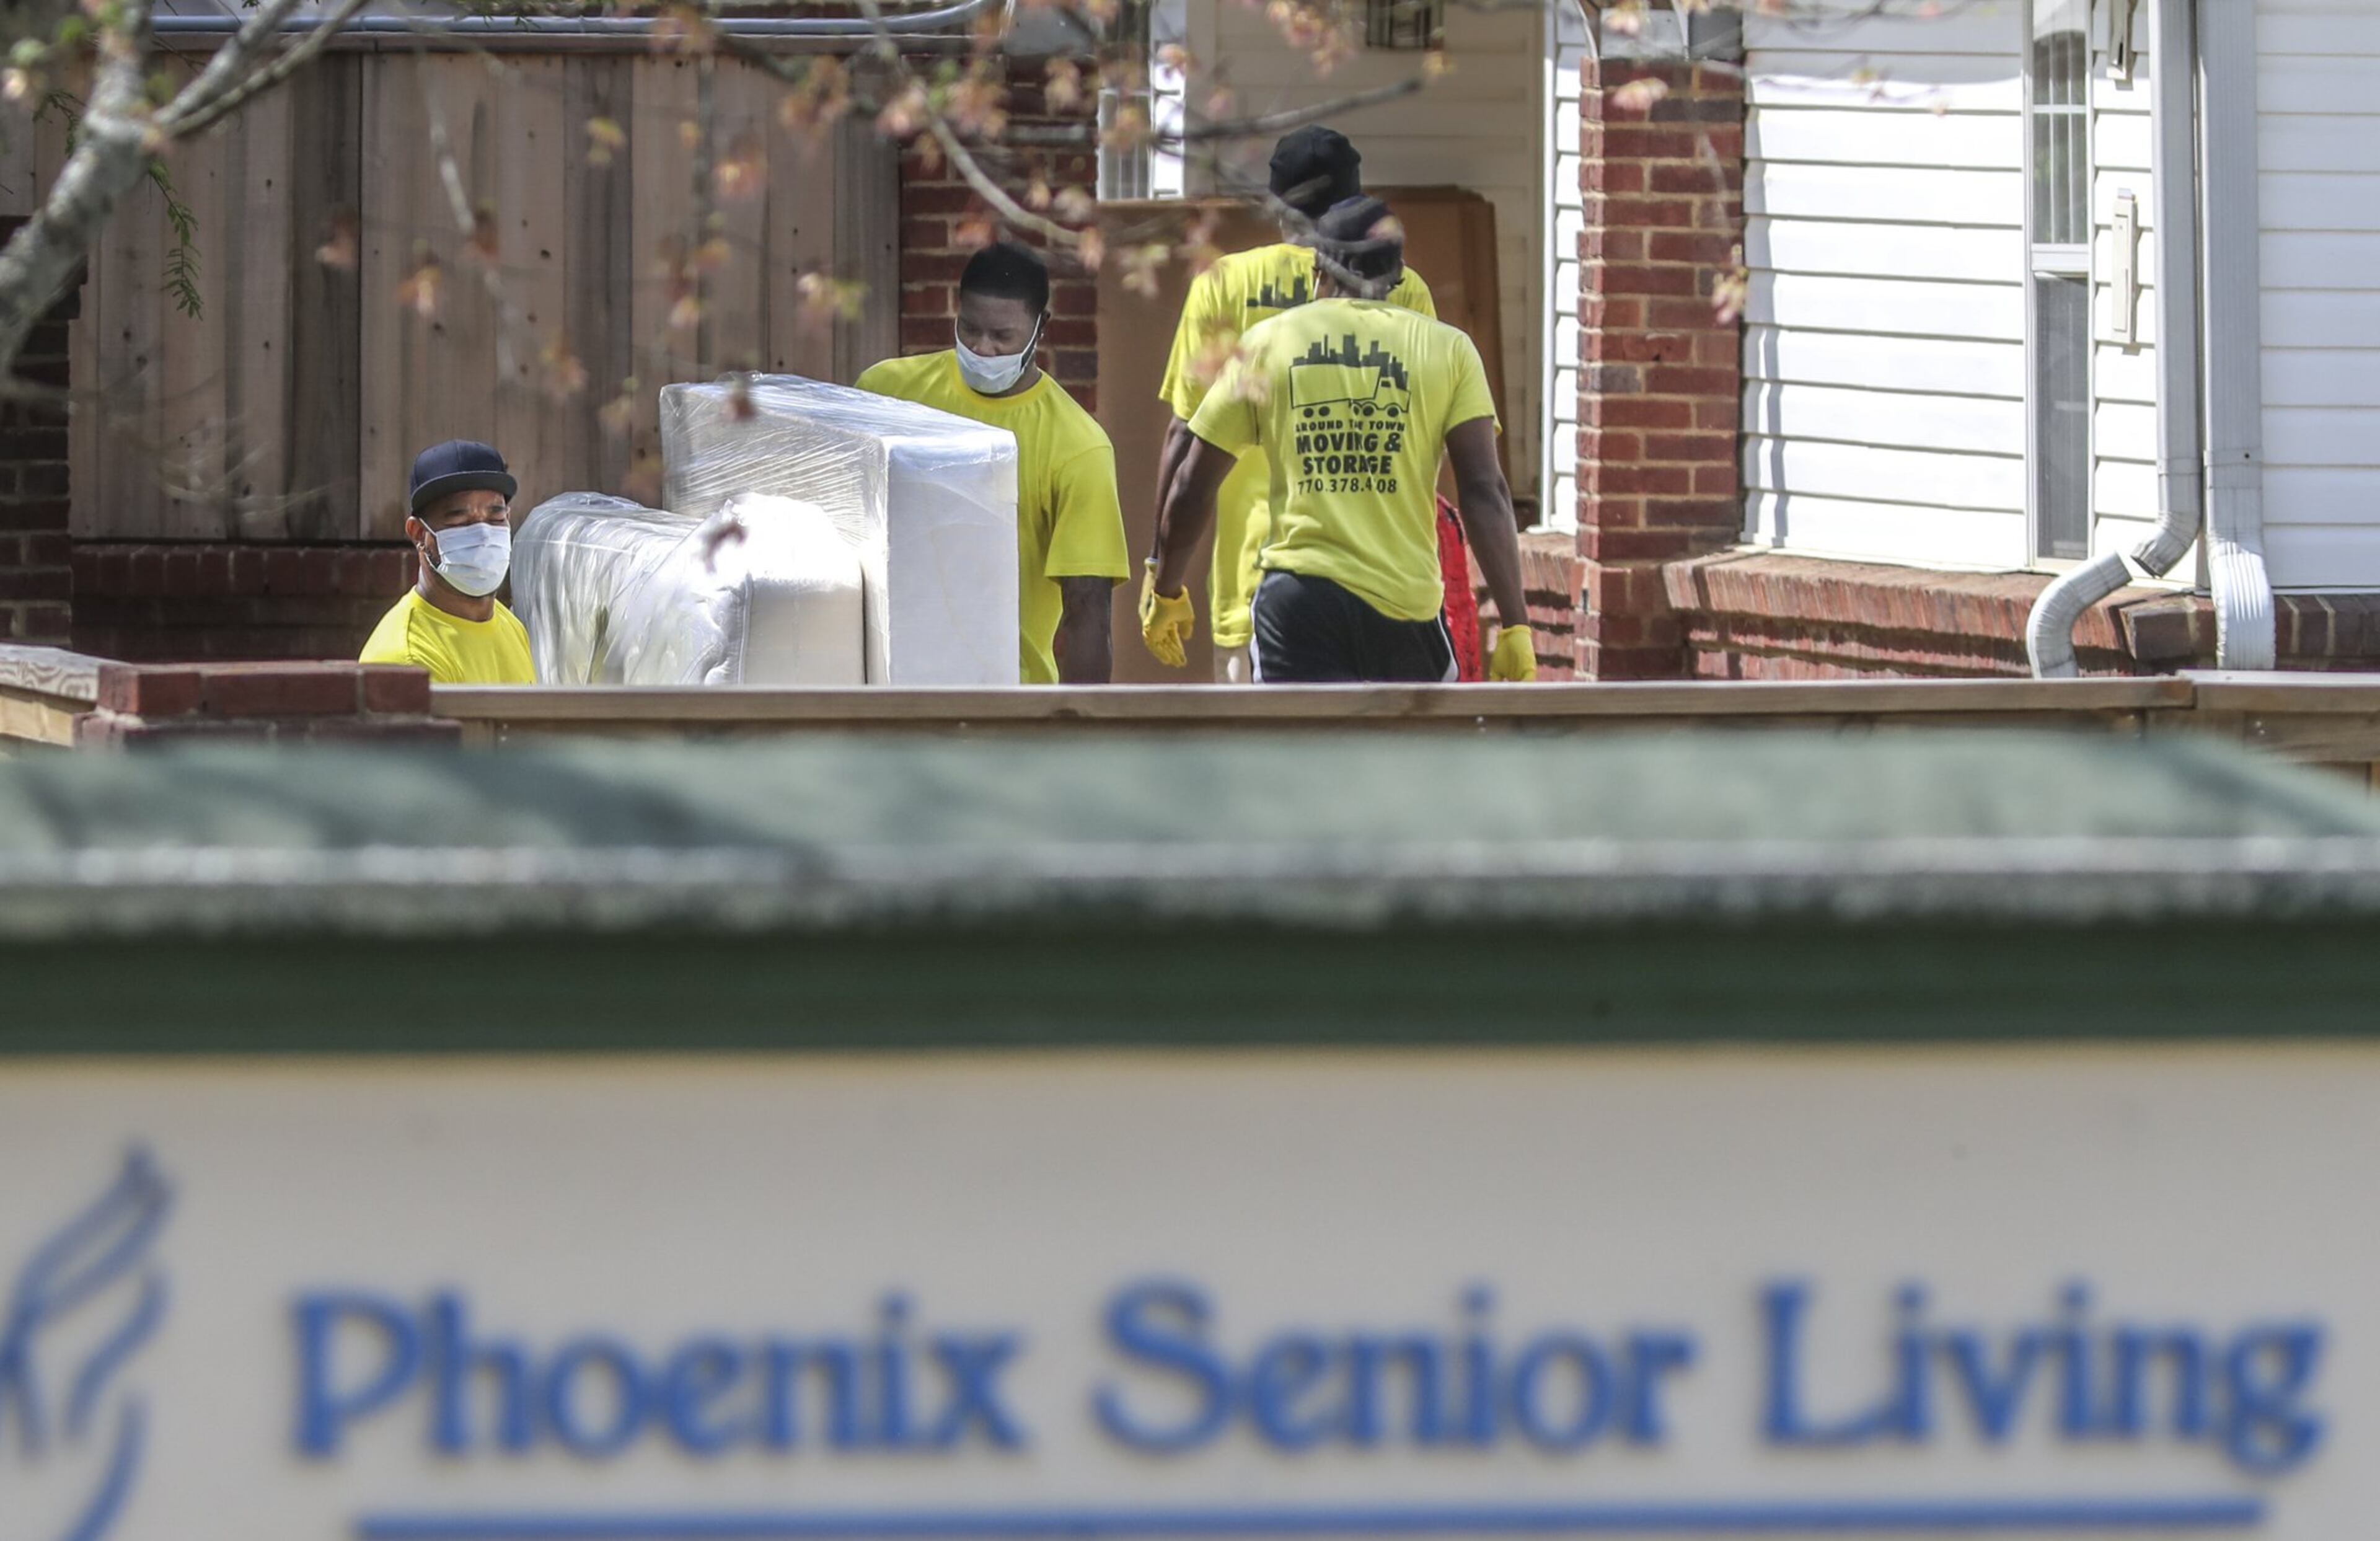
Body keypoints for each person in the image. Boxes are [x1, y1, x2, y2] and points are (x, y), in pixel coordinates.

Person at [1142, 197, 1536, 684]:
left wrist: (1167, 588)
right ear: (1398, 274)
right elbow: (1485, 491)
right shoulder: (1449, 350)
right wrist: (1516, 621)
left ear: (1318, 269)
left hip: (1298, 603)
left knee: (1301, 756)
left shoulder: (1268, 343)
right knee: (1407, 758)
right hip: (1405, 608)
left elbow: (1192, 484)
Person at [1154, 126, 1438, 681]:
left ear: (1276, 202)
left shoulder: (1225, 284)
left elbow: (1184, 438)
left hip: (1259, 581)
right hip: (1391, 579)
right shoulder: (1404, 288)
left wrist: (1160, 572)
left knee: (1269, 763)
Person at [858, 241, 1129, 685]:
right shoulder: (887, 393)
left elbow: (1087, 611)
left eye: (1003, 336)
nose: (983, 348)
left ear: (1043, 327)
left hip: (1006, 697)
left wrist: (1083, 733)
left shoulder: (1079, 447)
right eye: (969, 329)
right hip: (888, 681)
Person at [359, 439, 536, 684]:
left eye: (495, 517)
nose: (483, 534)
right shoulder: (408, 660)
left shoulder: (510, 627)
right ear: (419, 533)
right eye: (460, 521)